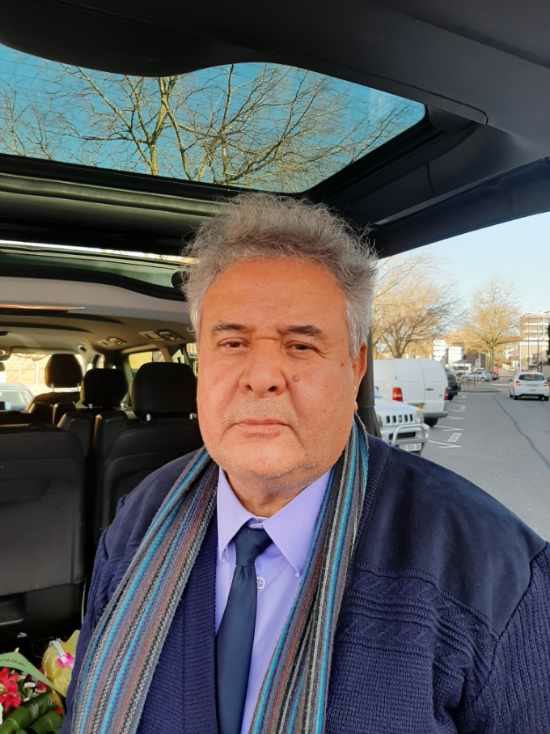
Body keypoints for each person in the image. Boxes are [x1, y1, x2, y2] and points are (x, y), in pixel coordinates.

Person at [63, 194, 550, 734]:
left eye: (299, 346)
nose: (261, 377)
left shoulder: (491, 570)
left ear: (355, 366)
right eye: (232, 342)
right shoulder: (141, 519)